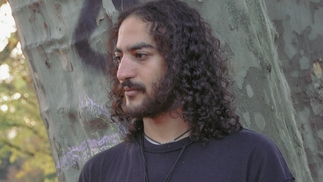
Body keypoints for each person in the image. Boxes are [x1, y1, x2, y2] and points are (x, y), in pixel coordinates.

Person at [79, 0, 295, 181]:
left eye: (140, 55)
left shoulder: (251, 157)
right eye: (119, 58)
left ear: (180, 62)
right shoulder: (100, 172)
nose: (122, 73)